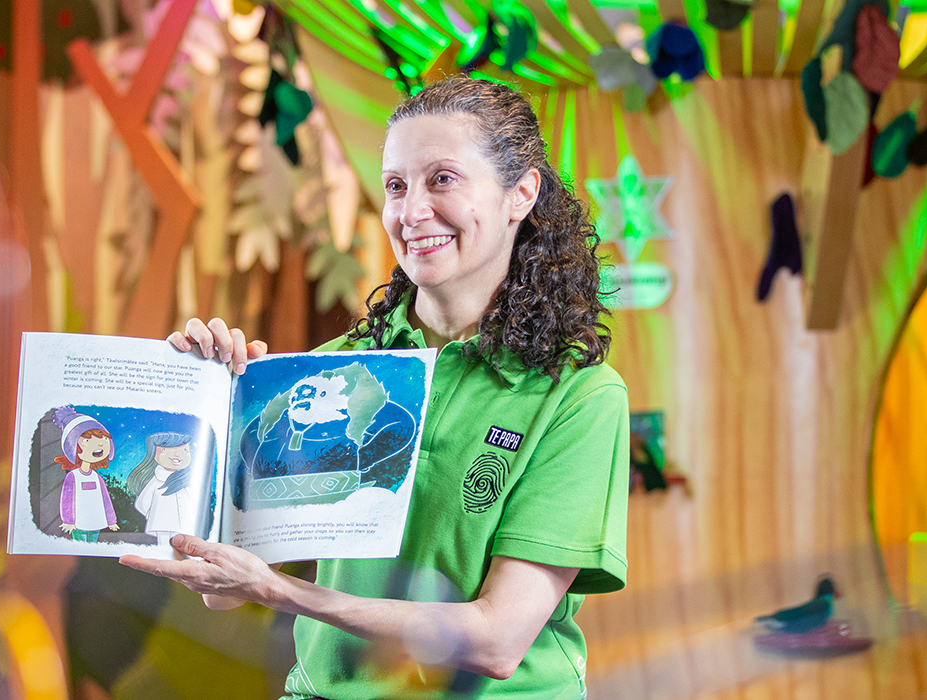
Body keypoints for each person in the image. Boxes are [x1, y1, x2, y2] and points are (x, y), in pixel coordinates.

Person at [123, 77, 629, 698]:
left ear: (519, 193)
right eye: (396, 185)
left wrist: (287, 594)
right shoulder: (331, 370)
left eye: (443, 179)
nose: (411, 212)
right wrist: (207, 401)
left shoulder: (578, 396)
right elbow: (226, 594)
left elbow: (498, 641)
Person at [52, 405, 119, 538]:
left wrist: (111, 521)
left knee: (93, 542)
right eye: (87, 440)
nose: (100, 444)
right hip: (79, 523)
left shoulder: (97, 477)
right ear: (73, 447)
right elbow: (67, 500)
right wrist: (68, 521)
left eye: (104, 439)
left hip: (97, 522)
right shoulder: (73, 477)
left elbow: (106, 499)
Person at [129, 431, 199, 535]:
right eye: (166, 450)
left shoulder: (183, 481)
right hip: (163, 526)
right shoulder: (157, 480)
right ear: (153, 453)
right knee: (164, 547)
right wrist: (154, 515)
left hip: (184, 524)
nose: (177, 454)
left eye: (185, 450)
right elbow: (142, 503)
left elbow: (192, 502)